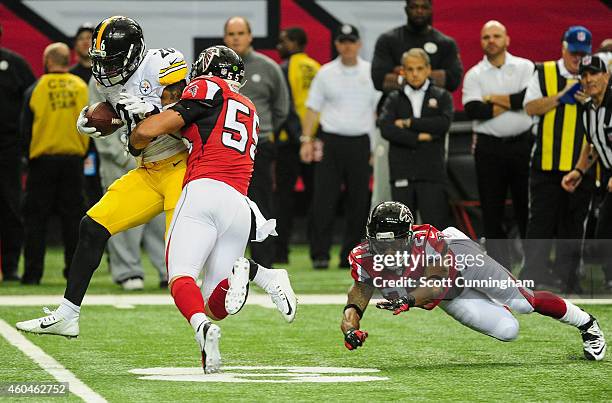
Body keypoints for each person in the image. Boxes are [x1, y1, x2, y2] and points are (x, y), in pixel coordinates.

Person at [16, 16, 188, 336]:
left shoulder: (164, 67)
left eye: (111, 61)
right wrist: (98, 121)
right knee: (92, 227)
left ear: (134, 53)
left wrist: (151, 112)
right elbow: (124, 118)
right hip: (149, 170)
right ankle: (67, 314)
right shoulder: (103, 82)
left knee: (184, 256)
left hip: (182, 167)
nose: (104, 70)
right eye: (100, 61)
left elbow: (192, 121)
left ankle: (262, 276)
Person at [129, 45, 297, 373]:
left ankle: (201, 327)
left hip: (204, 190)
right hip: (238, 205)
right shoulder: (248, 106)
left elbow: (150, 131)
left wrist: (138, 129)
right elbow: (200, 127)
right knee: (215, 304)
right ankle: (257, 273)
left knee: (180, 276)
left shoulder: (206, 87)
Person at [340, 201, 606, 361]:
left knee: (524, 302)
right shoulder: (365, 257)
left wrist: (408, 299)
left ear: (408, 237)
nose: (386, 251)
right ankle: (494, 299)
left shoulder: (428, 240)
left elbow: (435, 283)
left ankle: (587, 323)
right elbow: (357, 297)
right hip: (446, 294)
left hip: (462, 264)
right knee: (508, 331)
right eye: (379, 242)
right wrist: (350, 328)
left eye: (394, 242)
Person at [520, 26, 594, 292]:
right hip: (546, 164)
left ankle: (569, 280)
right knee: (540, 222)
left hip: (583, 166)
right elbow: (530, 107)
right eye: (573, 53)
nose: (577, 59)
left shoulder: (595, 76)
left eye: (582, 54)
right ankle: (533, 276)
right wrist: (561, 97)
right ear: (563, 48)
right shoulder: (543, 71)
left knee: (573, 225)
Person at [300, 24, 380, 269]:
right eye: (342, 41)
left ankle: (351, 255)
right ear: (337, 44)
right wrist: (306, 140)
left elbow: (378, 113)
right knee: (324, 199)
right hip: (331, 141)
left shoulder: (371, 72)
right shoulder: (326, 73)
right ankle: (320, 254)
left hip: (360, 142)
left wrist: (375, 147)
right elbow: (312, 108)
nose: (347, 46)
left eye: (351, 41)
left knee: (358, 202)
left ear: (359, 44)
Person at [462, 21, 534, 269]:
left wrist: (492, 99)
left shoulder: (525, 66)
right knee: (491, 211)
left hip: (522, 145)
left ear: (507, 39)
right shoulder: (473, 74)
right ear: (481, 42)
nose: (491, 40)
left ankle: (532, 265)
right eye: (486, 37)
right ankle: (499, 269)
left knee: (527, 207)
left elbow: (530, 99)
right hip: (489, 148)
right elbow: (474, 110)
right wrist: (512, 101)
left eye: (496, 36)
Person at [19, 43, 89, 285]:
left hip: (43, 162)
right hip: (73, 161)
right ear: (66, 59)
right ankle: (73, 273)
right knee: (73, 221)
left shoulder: (36, 88)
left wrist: (26, 158)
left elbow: (25, 128)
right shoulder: (81, 86)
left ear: (47, 61)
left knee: (35, 220)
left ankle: (32, 274)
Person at [224, 16, 290, 268]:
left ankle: (264, 264)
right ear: (225, 37)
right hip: (225, 148)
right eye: (231, 34)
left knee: (261, 203)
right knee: (226, 205)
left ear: (250, 36)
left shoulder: (268, 67)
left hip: (259, 146)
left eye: (241, 33)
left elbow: (282, 108)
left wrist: (262, 130)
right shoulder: (215, 68)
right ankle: (228, 262)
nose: (236, 38)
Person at [88, 81, 167, 290]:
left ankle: (169, 270)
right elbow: (95, 119)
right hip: (119, 158)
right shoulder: (100, 79)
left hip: (153, 154)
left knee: (161, 216)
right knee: (119, 215)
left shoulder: (151, 68)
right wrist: (123, 154)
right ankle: (127, 271)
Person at [379, 48, 453, 230]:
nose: (415, 74)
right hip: (402, 170)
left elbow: (442, 124)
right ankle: (406, 261)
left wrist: (408, 123)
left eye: (419, 69)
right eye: (410, 69)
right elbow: (386, 129)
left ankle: (433, 260)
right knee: (402, 231)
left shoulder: (442, 96)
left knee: (434, 229)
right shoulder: (393, 98)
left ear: (428, 69)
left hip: (431, 172)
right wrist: (420, 136)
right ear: (403, 71)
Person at [562, 55, 612, 290]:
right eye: (584, 75)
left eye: (594, 73)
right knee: (603, 235)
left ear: (606, 75)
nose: (589, 79)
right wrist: (579, 171)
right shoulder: (588, 109)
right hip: (609, 177)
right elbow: (592, 145)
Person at [274, 27, 320, 264]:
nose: (279, 45)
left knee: (283, 199)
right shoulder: (316, 67)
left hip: (289, 142)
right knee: (317, 198)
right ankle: (318, 253)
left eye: (283, 41)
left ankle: (280, 252)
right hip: (314, 140)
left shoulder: (283, 69)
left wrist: (298, 137)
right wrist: (312, 137)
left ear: (295, 43)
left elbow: (285, 107)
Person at [0, 23, 36, 281]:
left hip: (8, 149)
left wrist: (26, 147)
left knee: (10, 207)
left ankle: (10, 266)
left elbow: (33, 106)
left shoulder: (15, 65)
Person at [371, 0, 463, 94]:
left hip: (435, 105)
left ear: (431, 10)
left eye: (424, 7)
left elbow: (453, 80)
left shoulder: (446, 43)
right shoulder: (387, 40)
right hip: (395, 105)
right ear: (406, 10)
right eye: (414, 7)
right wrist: (431, 74)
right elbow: (379, 80)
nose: (419, 11)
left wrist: (402, 73)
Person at [70, 22, 103, 211]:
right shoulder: (70, 76)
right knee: (84, 192)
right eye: (81, 38)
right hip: (80, 144)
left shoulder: (106, 75)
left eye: (90, 38)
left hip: (106, 141)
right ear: (75, 45)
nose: (85, 42)